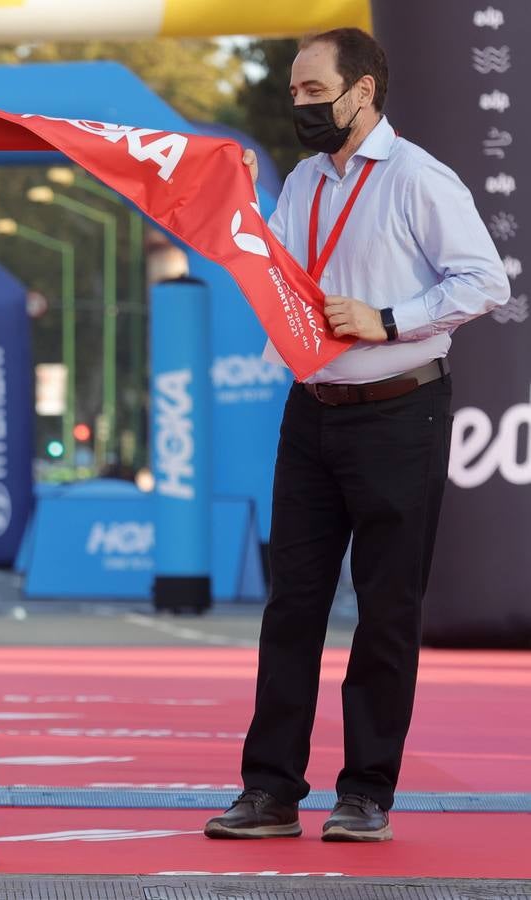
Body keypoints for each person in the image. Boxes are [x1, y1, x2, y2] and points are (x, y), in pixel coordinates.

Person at [205, 28, 509, 842]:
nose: (299, 104)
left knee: (385, 608)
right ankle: (269, 791)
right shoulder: (303, 182)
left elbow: (487, 279)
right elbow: (281, 276)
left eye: (313, 90)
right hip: (311, 415)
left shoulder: (418, 179)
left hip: (400, 412)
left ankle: (366, 792)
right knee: (291, 606)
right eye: (294, 91)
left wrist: (387, 320)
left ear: (363, 91)